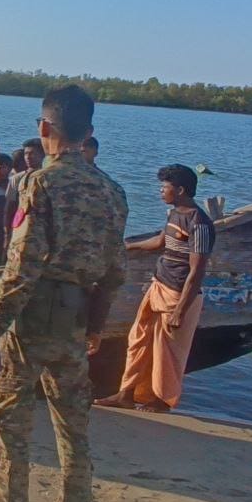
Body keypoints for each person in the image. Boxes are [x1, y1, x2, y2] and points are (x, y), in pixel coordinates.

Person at [0, 85, 128, 502]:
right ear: (89, 131)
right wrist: (96, 325)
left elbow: (21, 268)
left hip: (30, 325)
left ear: (44, 128)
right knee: (75, 436)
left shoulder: (39, 183)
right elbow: (117, 271)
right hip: (76, 326)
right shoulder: (112, 193)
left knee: (11, 433)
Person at [96, 164, 213, 414]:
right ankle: (126, 393)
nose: (161, 191)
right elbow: (161, 242)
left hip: (179, 294)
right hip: (159, 284)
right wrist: (130, 246)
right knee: (139, 340)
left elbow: (197, 270)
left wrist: (180, 310)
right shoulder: (174, 214)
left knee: (167, 352)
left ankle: (161, 400)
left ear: (180, 190)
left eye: (165, 187)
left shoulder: (199, 222)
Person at [3, 139, 44, 254]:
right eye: (26, 154)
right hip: (20, 230)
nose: (28, 157)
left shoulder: (49, 178)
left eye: (32, 153)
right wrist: (7, 233)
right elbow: (9, 209)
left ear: (42, 155)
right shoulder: (16, 179)